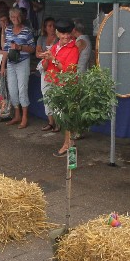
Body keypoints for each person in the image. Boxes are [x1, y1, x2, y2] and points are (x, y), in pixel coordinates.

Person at [42, 18, 80, 157]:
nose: (66, 36)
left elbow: (68, 71)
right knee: (62, 117)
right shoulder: (55, 46)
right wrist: (46, 58)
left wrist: (53, 59)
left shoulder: (74, 49)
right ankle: (70, 144)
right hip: (55, 84)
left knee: (66, 117)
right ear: (58, 33)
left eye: (68, 34)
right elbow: (46, 66)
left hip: (67, 86)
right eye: (63, 34)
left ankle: (67, 144)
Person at [2, 6, 35, 129]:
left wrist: (20, 47)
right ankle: (17, 115)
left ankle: (25, 116)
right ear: (10, 18)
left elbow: (32, 48)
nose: (15, 19)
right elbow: (6, 49)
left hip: (23, 62)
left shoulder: (27, 31)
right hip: (11, 63)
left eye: (17, 16)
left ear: (21, 17)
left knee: (22, 89)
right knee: (12, 89)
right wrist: (3, 66)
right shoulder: (8, 30)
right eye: (13, 17)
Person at [36, 18, 59, 132]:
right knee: (46, 94)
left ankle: (58, 122)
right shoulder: (41, 39)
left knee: (56, 95)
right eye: (49, 26)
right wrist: (46, 55)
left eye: (54, 25)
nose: (52, 28)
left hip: (56, 69)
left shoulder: (59, 38)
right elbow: (37, 53)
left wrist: (45, 54)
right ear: (45, 28)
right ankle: (51, 122)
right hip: (45, 69)